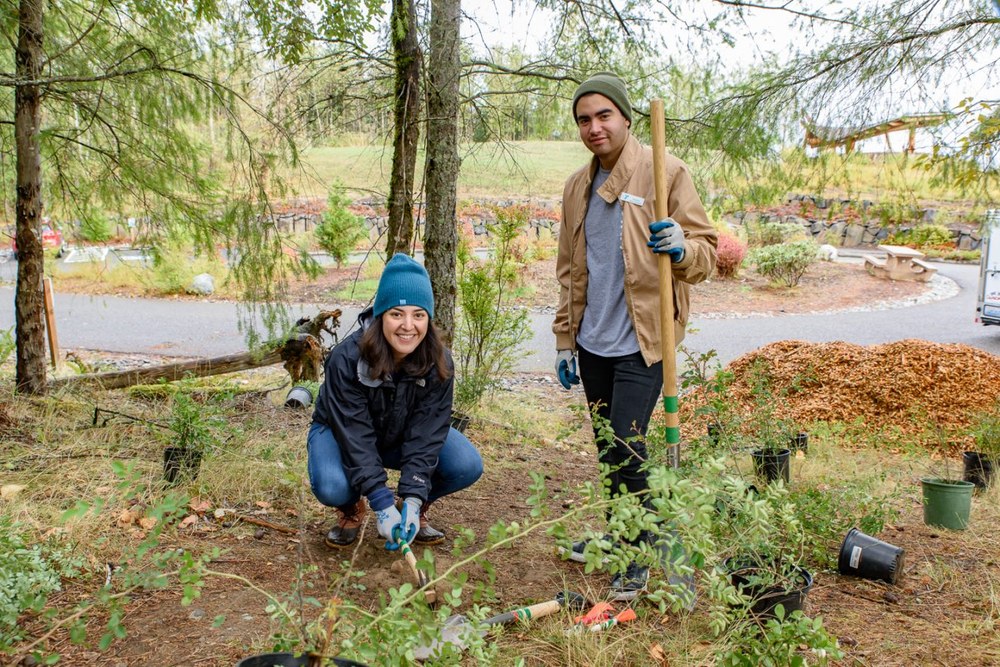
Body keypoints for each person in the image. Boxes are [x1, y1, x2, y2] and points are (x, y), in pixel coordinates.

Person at [553, 72, 718, 600]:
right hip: (592, 342)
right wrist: (564, 339)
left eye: (604, 115)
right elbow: (568, 270)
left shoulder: (665, 171)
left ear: (626, 117)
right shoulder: (577, 187)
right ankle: (621, 533)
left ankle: (639, 556)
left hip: (645, 341)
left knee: (628, 446)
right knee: (609, 449)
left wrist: (683, 249)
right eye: (584, 119)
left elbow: (707, 254)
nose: (594, 127)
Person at [308, 253, 483, 551]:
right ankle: (352, 506)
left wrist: (412, 499)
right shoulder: (346, 359)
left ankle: (413, 509)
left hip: (400, 434)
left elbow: (427, 434)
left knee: (466, 464)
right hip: (339, 434)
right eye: (396, 314)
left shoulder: (439, 362)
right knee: (332, 486)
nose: (408, 325)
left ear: (428, 317)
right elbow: (354, 435)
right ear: (380, 315)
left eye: (418, 314)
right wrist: (380, 502)